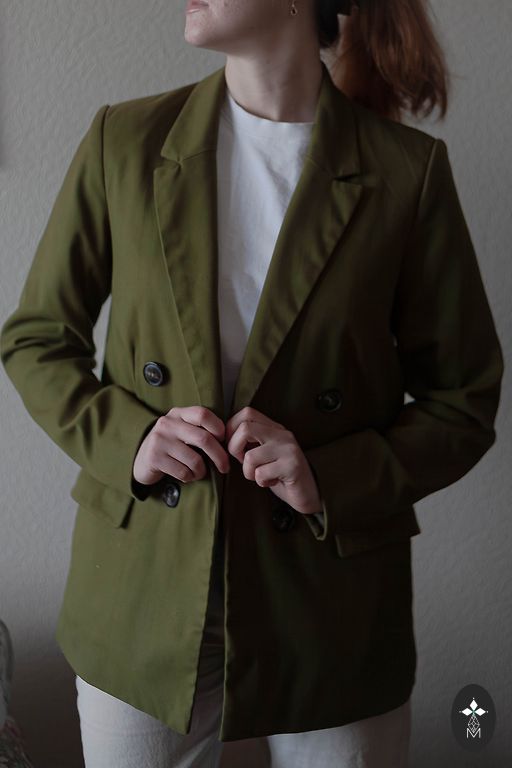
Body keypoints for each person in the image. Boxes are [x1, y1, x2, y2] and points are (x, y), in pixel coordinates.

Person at [0, 0, 504, 766]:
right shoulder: (125, 141)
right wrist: (131, 439)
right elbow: (36, 337)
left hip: (328, 610)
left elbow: (464, 400)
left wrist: (327, 476)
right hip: (143, 593)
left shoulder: (406, 171)